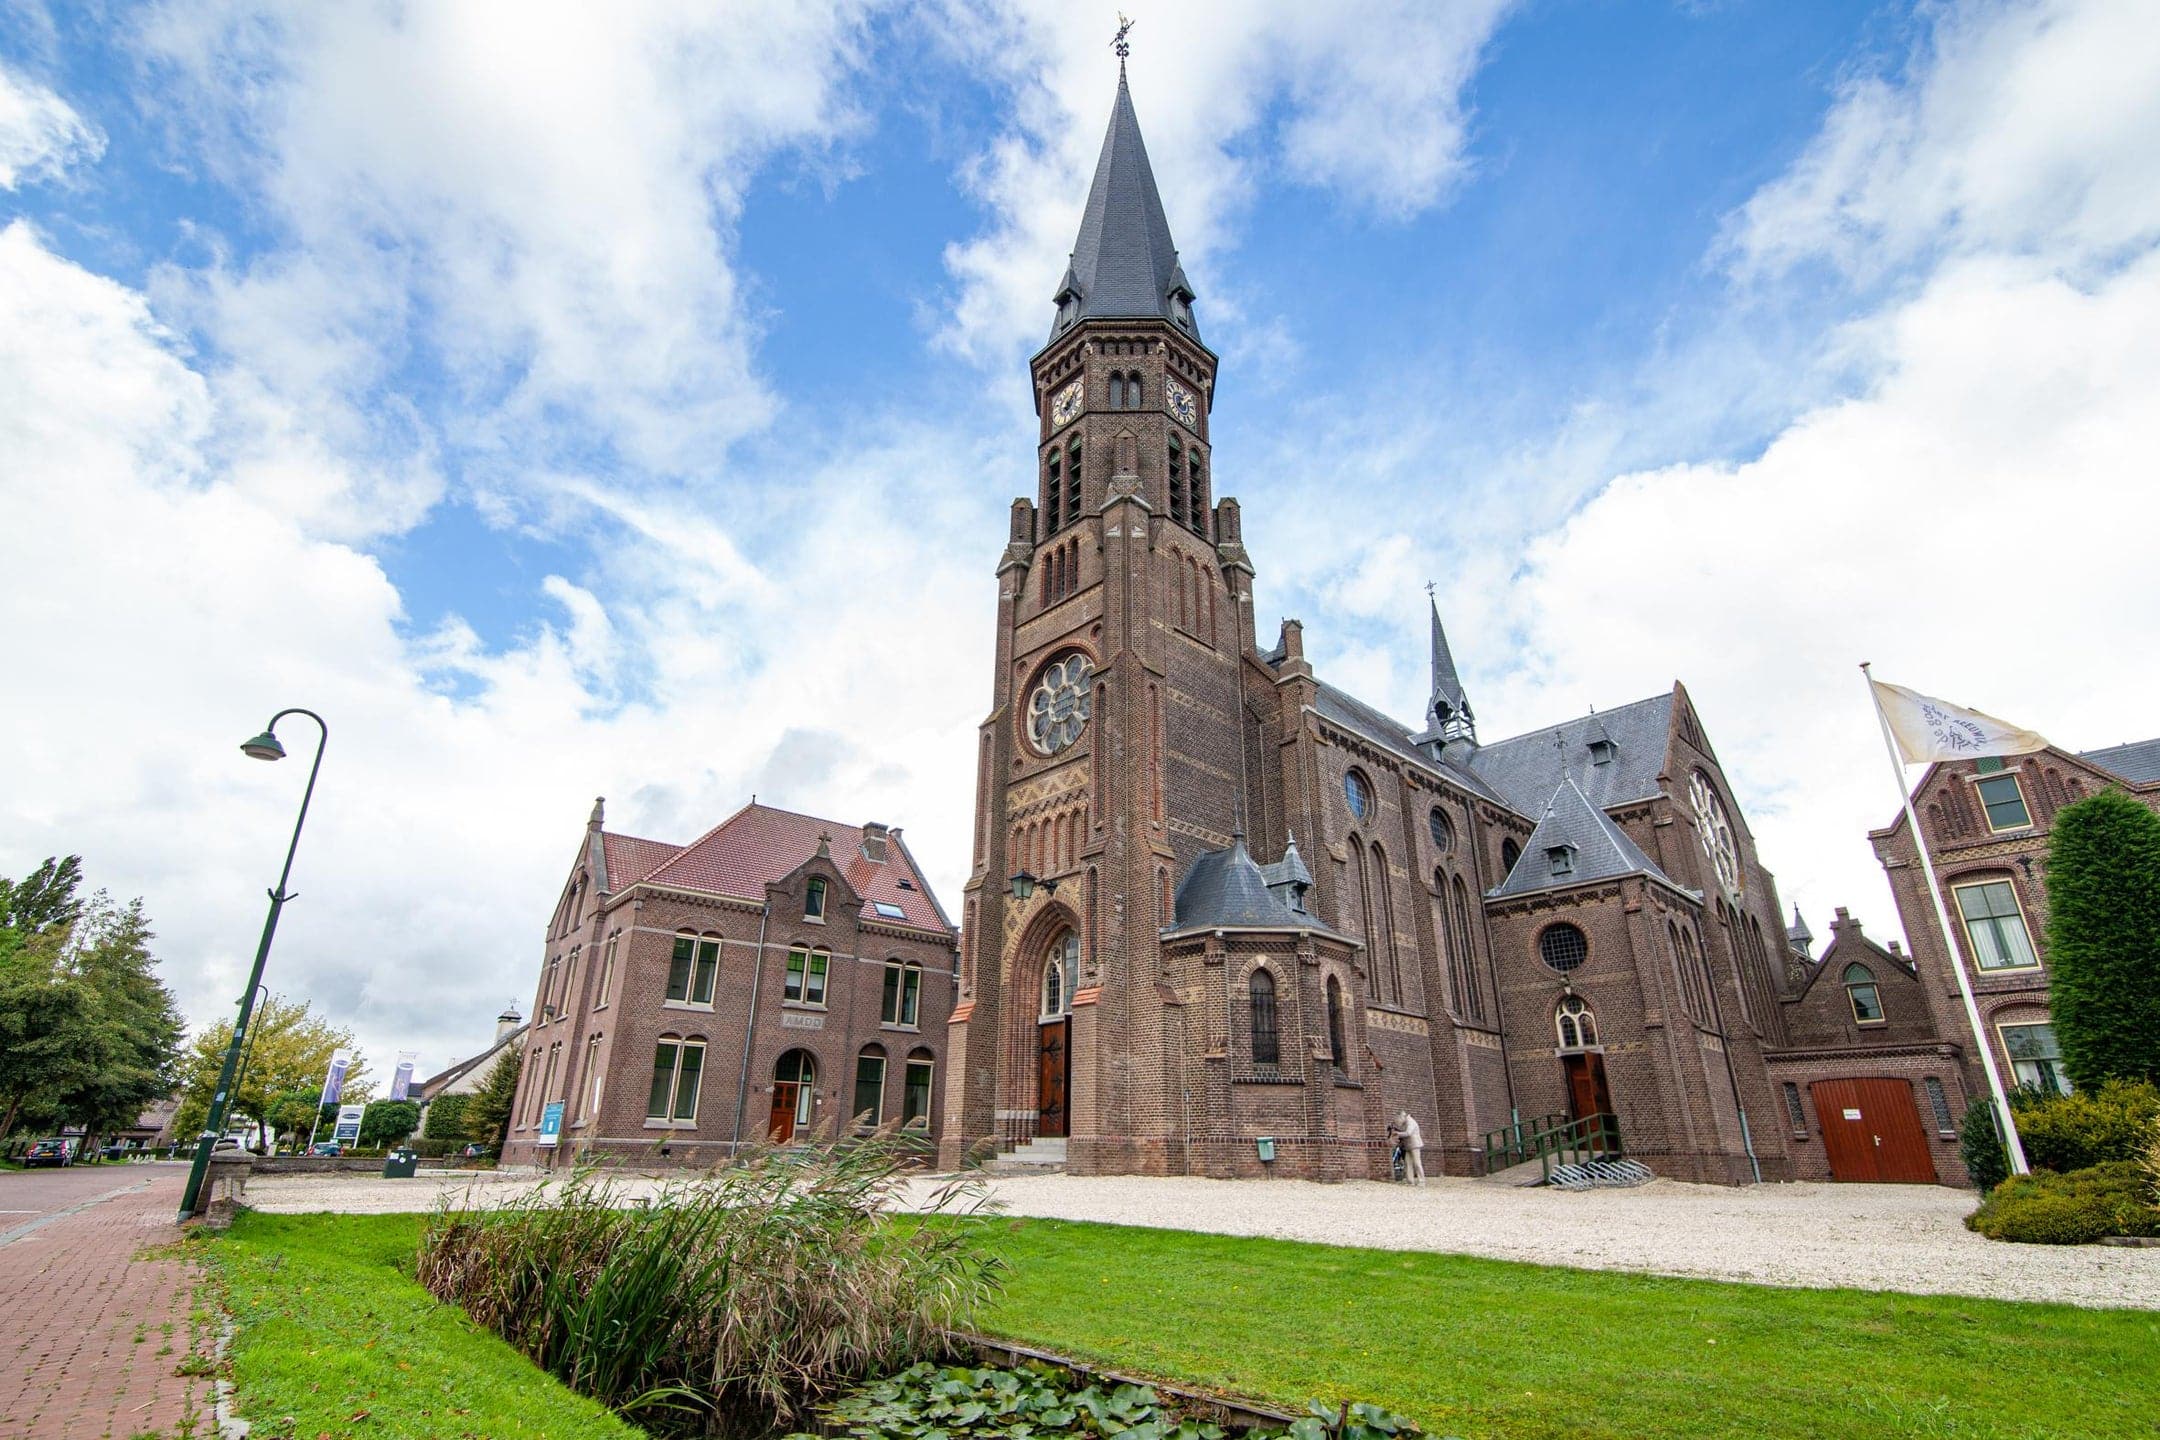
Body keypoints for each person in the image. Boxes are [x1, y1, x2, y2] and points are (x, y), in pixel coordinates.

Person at [1386, 1110, 1425, 1186]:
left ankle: (1422, 1181)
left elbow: (1408, 1133)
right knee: (1408, 1163)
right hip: (1408, 1146)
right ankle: (1410, 1181)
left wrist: (1397, 1134)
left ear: (1401, 1117)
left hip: (1415, 1145)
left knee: (1417, 1163)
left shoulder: (1411, 1122)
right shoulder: (1405, 1123)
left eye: (1398, 1120)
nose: (1398, 1122)